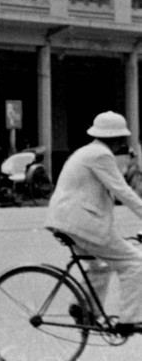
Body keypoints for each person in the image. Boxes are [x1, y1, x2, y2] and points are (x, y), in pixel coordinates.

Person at [45, 111, 142, 331]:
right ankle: (129, 321)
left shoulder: (88, 152)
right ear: (116, 138)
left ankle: (83, 308)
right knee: (135, 262)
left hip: (66, 220)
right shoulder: (101, 155)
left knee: (102, 265)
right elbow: (122, 191)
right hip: (81, 222)